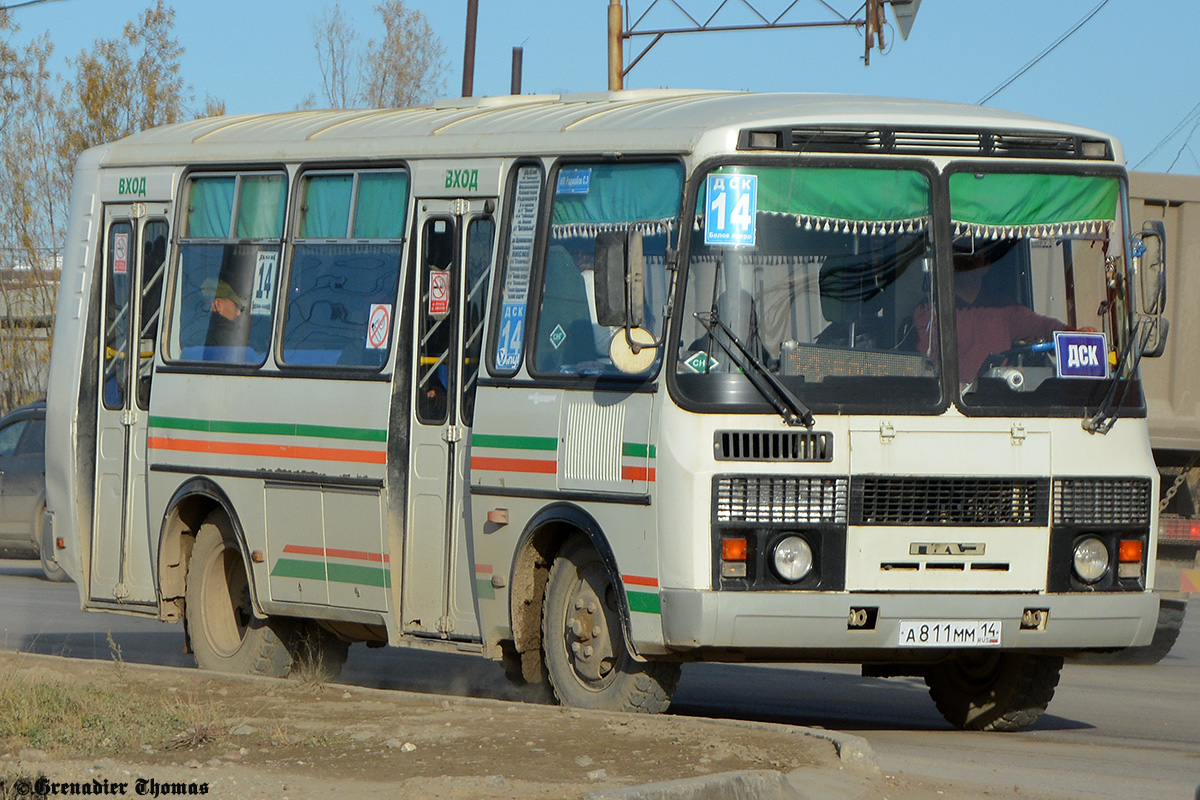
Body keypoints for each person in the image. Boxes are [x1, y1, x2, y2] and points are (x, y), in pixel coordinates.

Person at [913, 248, 1067, 381]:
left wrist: (1076, 335)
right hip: (953, 409)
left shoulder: (1004, 308)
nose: (969, 259)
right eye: (962, 253)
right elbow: (929, 366)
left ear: (986, 266)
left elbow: (1043, 327)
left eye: (975, 253)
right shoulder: (928, 310)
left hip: (997, 403)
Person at [201, 277, 250, 351]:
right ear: (218, 305)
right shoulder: (226, 338)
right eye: (237, 306)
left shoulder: (200, 335)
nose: (238, 312)